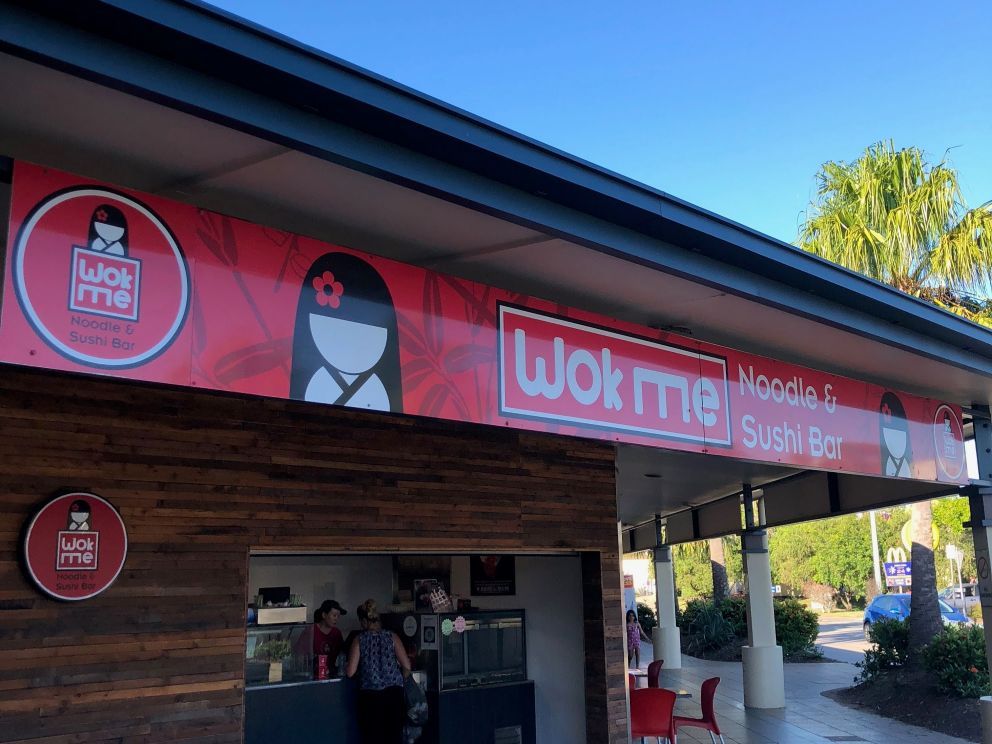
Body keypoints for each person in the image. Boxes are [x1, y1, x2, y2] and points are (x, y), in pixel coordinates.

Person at [346, 598, 411, 744]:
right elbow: (407, 666)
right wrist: (398, 678)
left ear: (363, 621)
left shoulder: (359, 640)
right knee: (394, 738)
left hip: (370, 698)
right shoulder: (392, 636)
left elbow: (350, 672)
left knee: (373, 739)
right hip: (394, 696)